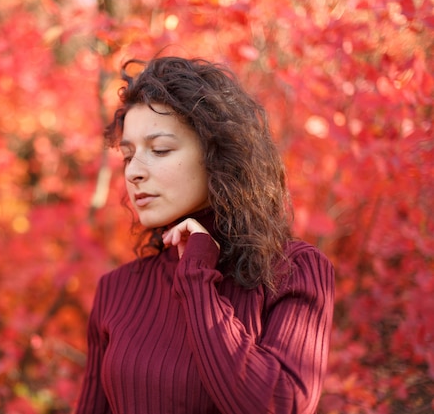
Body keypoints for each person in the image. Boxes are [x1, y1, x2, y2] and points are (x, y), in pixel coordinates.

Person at [75, 56, 335, 414]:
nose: (134, 172)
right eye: (127, 155)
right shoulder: (116, 290)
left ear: (217, 155)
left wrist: (197, 277)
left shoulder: (296, 270)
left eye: (160, 150)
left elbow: (279, 405)